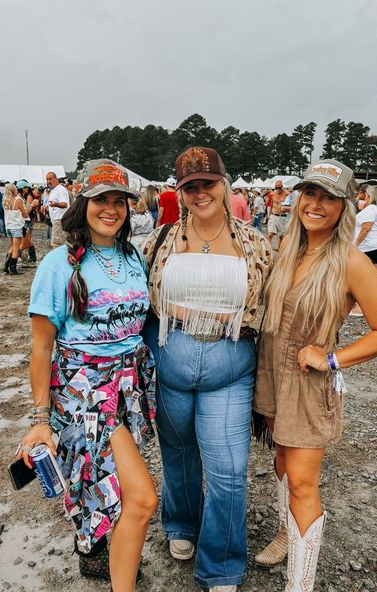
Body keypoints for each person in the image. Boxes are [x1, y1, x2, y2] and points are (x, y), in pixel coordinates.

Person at [253, 159, 377, 592]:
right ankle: (286, 532)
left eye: (329, 197)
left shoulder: (350, 261)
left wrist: (332, 359)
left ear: (344, 207)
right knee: (281, 461)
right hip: (271, 375)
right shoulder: (287, 248)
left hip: (307, 384)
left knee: (303, 482)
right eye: (311, 194)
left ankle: (299, 585)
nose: (316, 204)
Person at [15, 159, 157, 592]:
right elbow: (42, 347)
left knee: (107, 482)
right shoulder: (58, 264)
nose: (111, 209)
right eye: (101, 200)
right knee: (142, 498)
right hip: (86, 392)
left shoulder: (133, 255)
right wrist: (41, 420)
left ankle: (98, 555)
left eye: (120, 201)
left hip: (130, 387)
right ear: (83, 203)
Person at [143, 146, 273, 592]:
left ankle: (220, 562)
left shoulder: (253, 241)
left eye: (208, 184)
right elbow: (133, 292)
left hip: (229, 371)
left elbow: (273, 303)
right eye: (190, 186)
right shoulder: (159, 240)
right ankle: (181, 524)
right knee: (177, 455)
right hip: (171, 367)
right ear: (179, 192)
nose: (201, 193)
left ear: (224, 184)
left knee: (229, 469)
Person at [350, 185, 377, 316]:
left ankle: (360, 308)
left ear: (369, 196)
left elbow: (366, 228)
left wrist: (355, 245)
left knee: (362, 280)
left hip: (369, 247)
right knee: (374, 279)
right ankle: (376, 305)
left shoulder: (371, 209)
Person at [2, 183, 29, 275]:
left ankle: (6, 266)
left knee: (12, 246)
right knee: (16, 248)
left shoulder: (5, 200)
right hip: (16, 226)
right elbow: (25, 214)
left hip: (8, 226)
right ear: (14, 190)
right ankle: (13, 269)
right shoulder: (17, 201)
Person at [44, 171, 70, 248]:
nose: (48, 181)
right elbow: (53, 206)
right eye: (47, 179)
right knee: (60, 245)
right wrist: (46, 208)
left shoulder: (60, 189)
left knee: (56, 245)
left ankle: (60, 260)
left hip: (60, 220)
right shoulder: (53, 190)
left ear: (56, 179)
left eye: (50, 179)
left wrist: (55, 204)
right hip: (56, 221)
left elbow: (65, 204)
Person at [267, 180, 289, 248]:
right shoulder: (273, 194)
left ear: (282, 187)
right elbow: (271, 205)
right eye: (276, 188)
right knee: (270, 234)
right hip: (273, 216)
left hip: (282, 217)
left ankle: (280, 251)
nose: (278, 189)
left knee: (281, 236)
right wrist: (269, 215)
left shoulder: (286, 194)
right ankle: (267, 250)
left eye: (280, 188)